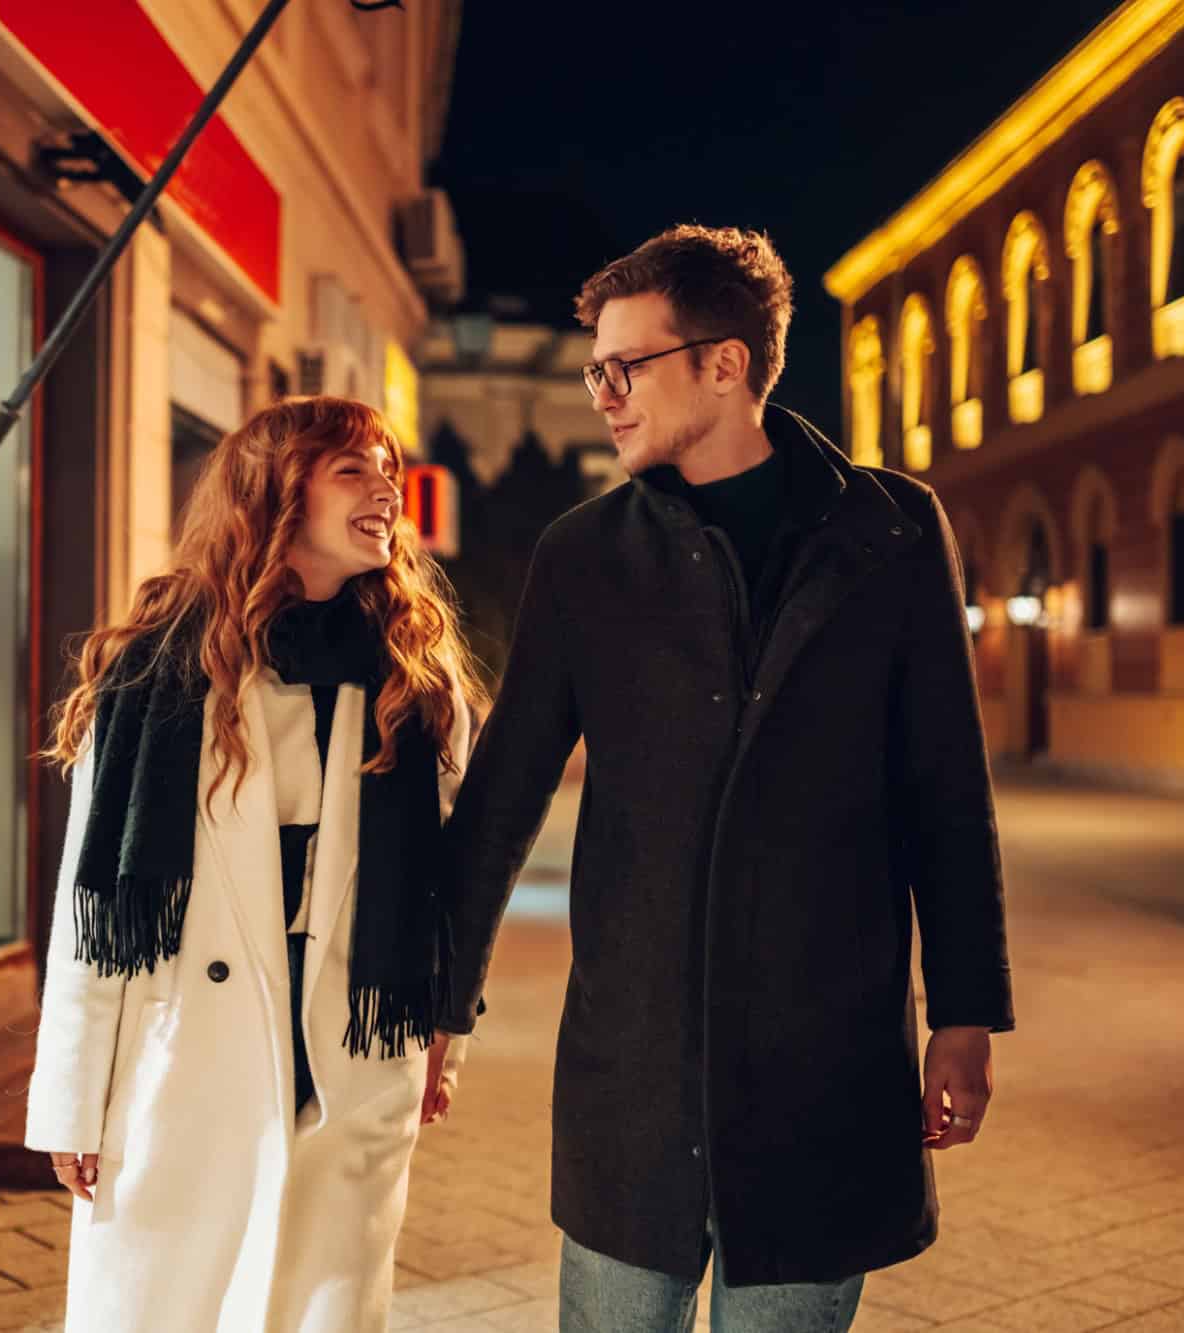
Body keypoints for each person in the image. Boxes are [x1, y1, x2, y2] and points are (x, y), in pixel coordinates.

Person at [435, 226, 1016, 1333]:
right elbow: (504, 793)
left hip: (824, 1063)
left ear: (725, 363)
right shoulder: (583, 553)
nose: (603, 396)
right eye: (595, 371)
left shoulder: (891, 530)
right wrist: (442, 1002)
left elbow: (942, 787)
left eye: (626, 366)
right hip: (632, 1066)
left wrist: (964, 1012)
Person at [26, 396, 483, 1332]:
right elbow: (91, 904)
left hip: (351, 1056)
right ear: (276, 493)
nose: (385, 489)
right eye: (352, 469)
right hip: (186, 1059)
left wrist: (445, 1024)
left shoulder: (413, 679)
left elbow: (446, 880)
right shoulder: (156, 671)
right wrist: (72, 1097)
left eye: (388, 470)